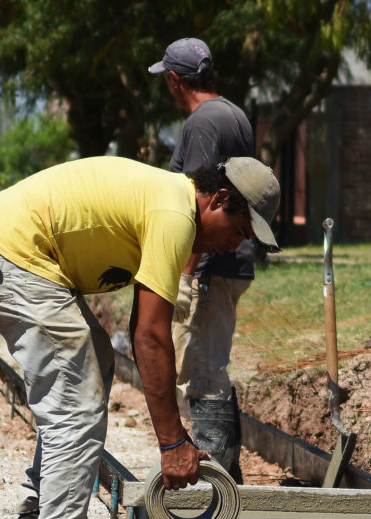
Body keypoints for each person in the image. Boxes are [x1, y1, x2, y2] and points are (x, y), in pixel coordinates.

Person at [0, 155, 280, 519]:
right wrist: (172, 444)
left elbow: (142, 327)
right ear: (220, 199)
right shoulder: (175, 215)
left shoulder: (171, 204)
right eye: (240, 231)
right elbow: (148, 336)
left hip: (14, 248)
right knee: (76, 399)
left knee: (95, 361)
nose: (235, 245)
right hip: (13, 252)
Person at [149, 37, 272, 483]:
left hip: (208, 263)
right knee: (211, 366)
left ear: (175, 80)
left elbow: (196, 209)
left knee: (200, 373)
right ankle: (229, 476)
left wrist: (182, 274)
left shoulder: (201, 123)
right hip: (232, 260)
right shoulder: (234, 113)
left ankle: (215, 489)